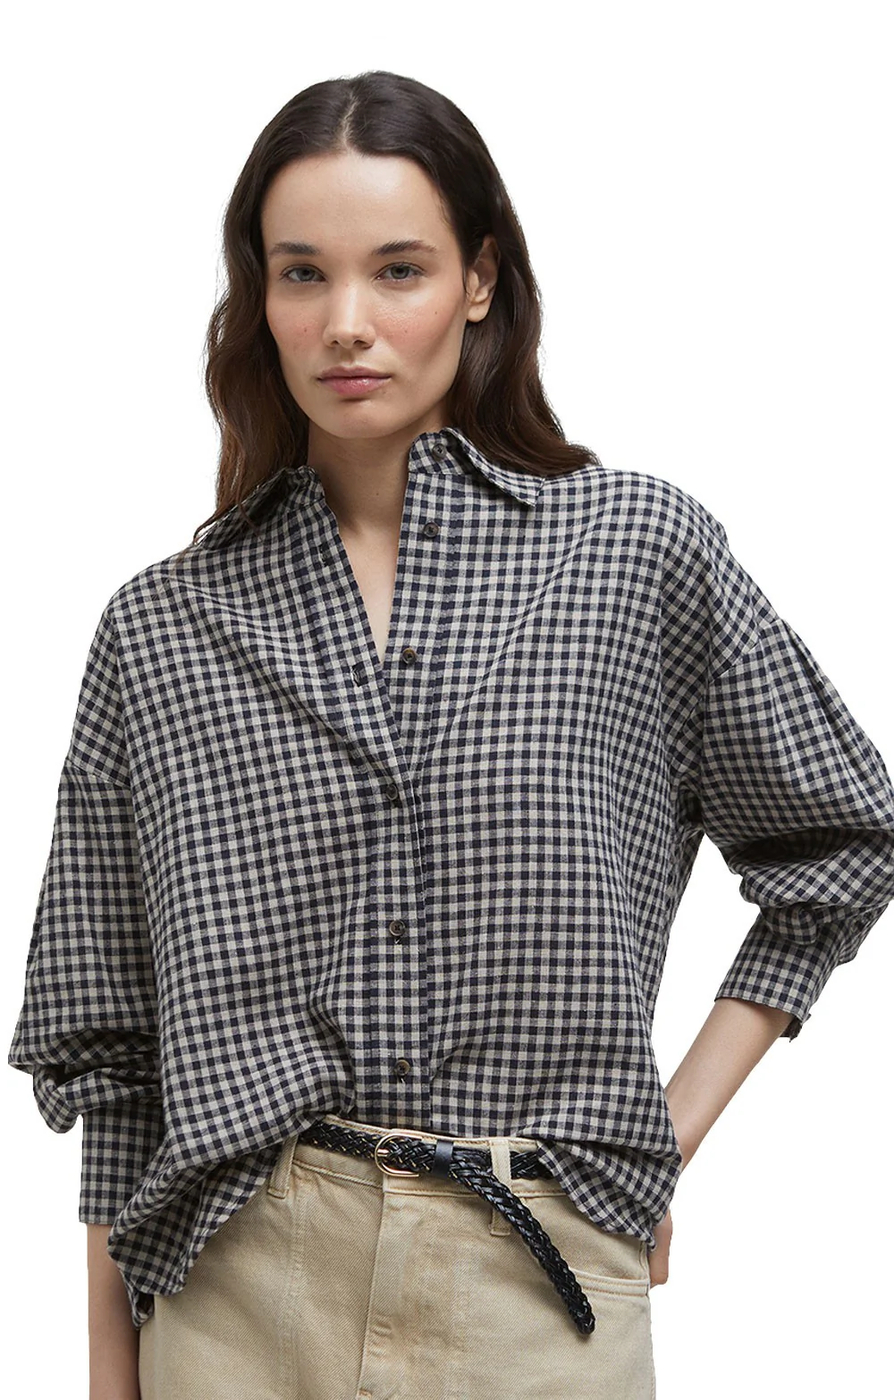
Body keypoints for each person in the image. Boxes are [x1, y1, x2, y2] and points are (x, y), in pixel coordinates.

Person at [8, 69, 894, 1400]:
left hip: (537, 1286)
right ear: (258, 297)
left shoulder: (631, 554)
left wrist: (660, 1137)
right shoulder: (162, 628)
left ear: (479, 281)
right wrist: (108, 1369)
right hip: (237, 1298)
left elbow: (841, 840)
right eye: (301, 275)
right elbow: (114, 1047)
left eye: (399, 270)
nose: (345, 324)